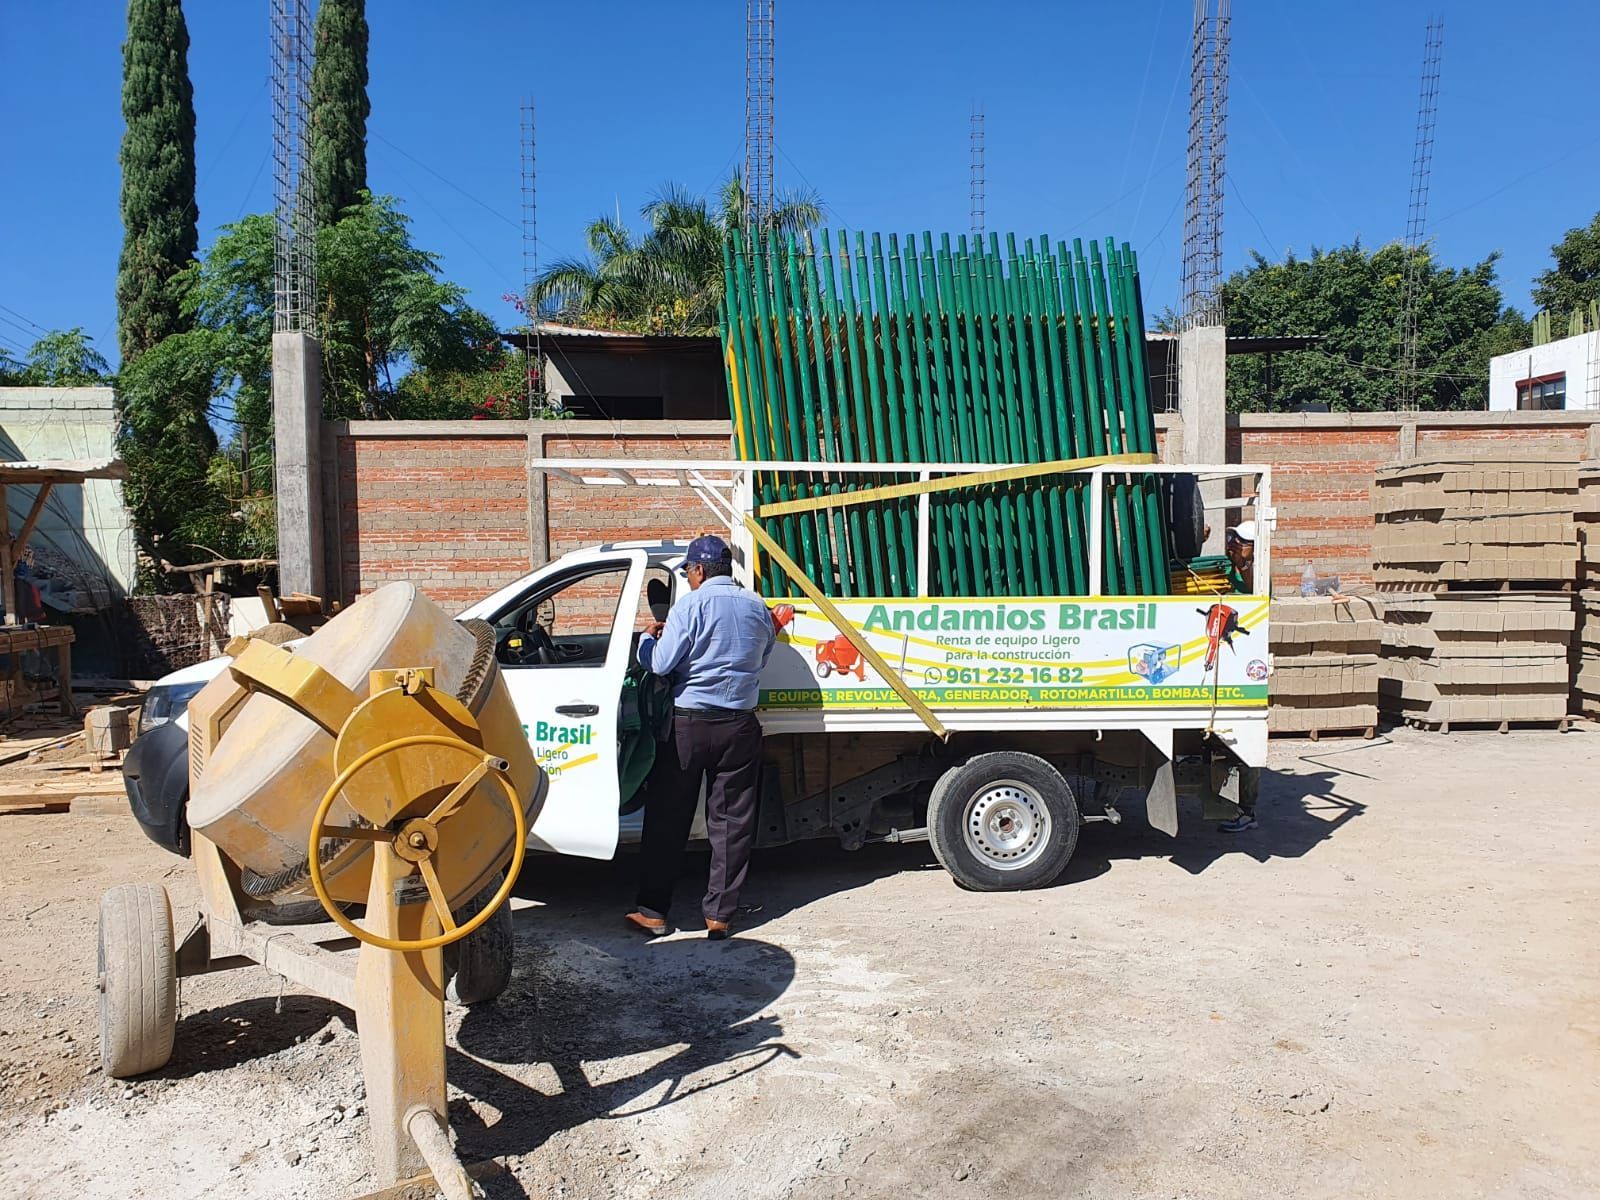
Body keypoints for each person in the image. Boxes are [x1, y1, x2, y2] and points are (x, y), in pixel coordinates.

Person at [626, 534, 776, 940]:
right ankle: (720, 916)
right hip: (740, 725)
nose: (690, 580)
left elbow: (660, 664)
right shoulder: (757, 606)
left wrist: (645, 639)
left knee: (668, 817)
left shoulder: (689, 605)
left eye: (690, 574)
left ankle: (654, 913)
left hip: (689, 725)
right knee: (731, 823)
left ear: (697, 571)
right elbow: (762, 658)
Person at [1225, 521, 1256, 593]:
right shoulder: (1222, 566)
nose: (1236, 542)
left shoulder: (1260, 573)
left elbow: (1253, 589)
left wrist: (1242, 565)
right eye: (1233, 537)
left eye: (1242, 540)